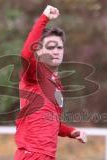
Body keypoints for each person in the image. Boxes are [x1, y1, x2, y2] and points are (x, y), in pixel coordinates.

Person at [14, 5, 87, 160]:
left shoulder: (56, 83)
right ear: (39, 50)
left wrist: (72, 132)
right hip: (32, 154)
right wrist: (43, 19)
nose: (56, 51)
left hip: (47, 156)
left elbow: (50, 121)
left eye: (59, 47)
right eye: (51, 47)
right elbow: (26, 54)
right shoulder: (34, 73)